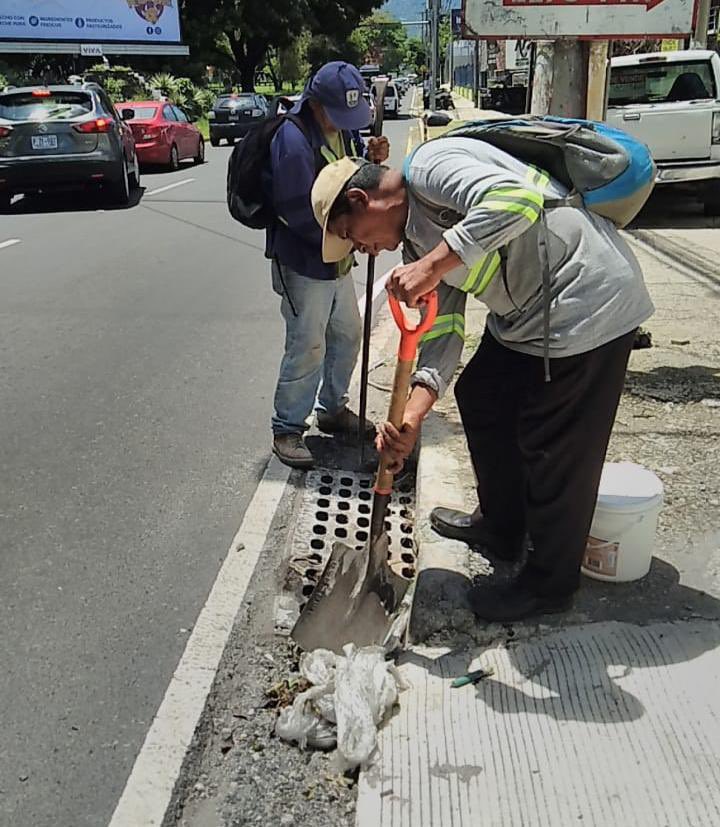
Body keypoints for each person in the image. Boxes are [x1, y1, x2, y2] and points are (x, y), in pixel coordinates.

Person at [309, 139, 654, 622]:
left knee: (551, 439)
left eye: (354, 236)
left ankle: (550, 583)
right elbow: (444, 331)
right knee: (482, 395)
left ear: (364, 201)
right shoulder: (414, 240)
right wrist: (411, 417)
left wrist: (432, 264)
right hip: (528, 315)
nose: (364, 251)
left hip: (585, 300)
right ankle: (503, 525)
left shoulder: (431, 167)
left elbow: (517, 200)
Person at [266, 62, 390, 469]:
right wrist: (354, 235)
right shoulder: (293, 139)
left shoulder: (341, 132)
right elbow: (297, 211)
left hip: (336, 261)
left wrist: (370, 162)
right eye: (337, 114)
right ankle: (287, 426)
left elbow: (349, 180)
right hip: (304, 261)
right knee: (308, 344)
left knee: (348, 334)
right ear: (314, 104)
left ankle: (332, 408)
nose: (344, 123)